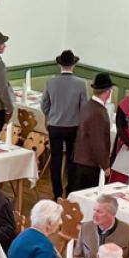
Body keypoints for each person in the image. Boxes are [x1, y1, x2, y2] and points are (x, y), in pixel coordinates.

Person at [41, 49, 89, 200]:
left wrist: (51, 115)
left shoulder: (51, 82)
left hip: (55, 125)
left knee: (55, 159)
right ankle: (70, 191)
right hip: (73, 126)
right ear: (73, 65)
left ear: (59, 64)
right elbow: (84, 107)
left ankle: (56, 193)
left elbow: (44, 104)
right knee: (71, 160)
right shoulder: (81, 84)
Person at [70, 73, 113, 194]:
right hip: (90, 164)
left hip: (80, 159)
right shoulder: (98, 112)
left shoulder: (87, 106)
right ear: (108, 92)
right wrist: (105, 165)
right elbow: (98, 142)